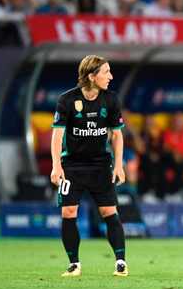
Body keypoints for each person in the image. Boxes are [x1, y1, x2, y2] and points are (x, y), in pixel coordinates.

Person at [50, 55, 128, 277]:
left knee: (109, 211)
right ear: (91, 76)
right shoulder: (67, 100)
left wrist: (119, 165)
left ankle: (121, 263)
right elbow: (57, 136)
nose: (111, 77)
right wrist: (57, 166)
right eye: (106, 72)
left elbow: (117, 136)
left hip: (101, 165)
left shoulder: (111, 100)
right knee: (68, 211)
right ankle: (74, 264)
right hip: (71, 165)